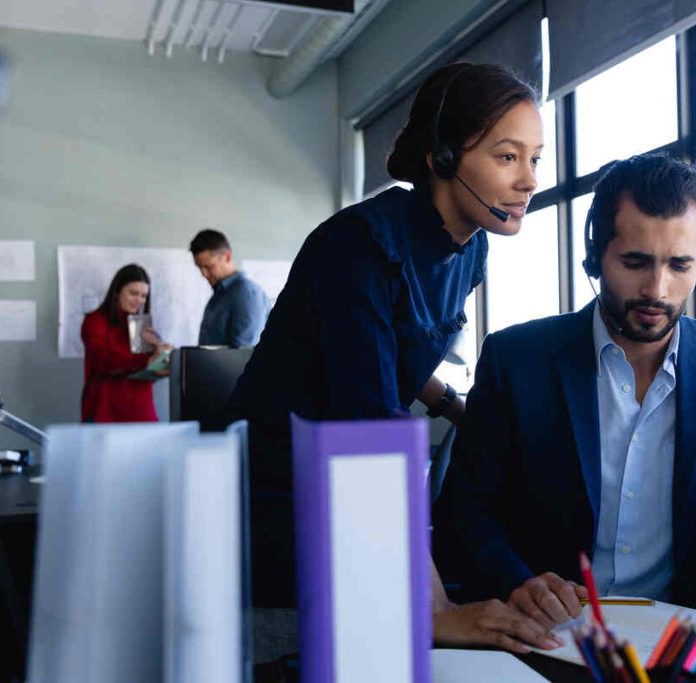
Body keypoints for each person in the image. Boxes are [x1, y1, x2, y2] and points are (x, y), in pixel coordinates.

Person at [227, 61, 550, 658]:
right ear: (443, 157)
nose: (528, 180)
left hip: (350, 483)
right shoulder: (357, 245)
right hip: (279, 494)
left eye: (535, 159)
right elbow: (368, 429)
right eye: (508, 157)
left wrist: (451, 403)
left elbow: (398, 343)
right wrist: (431, 610)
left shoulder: (470, 249)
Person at [432, 153, 696, 628]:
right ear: (596, 254)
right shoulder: (518, 359)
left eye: (679, 265)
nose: (658, 289)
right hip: (543, 635)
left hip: (673, 645)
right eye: (635, 262)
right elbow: (463, 515)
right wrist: (517, 582)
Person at [80, 264, 172, 423]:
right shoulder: (95, 321)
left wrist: (162, 355)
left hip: (141, 410)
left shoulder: (144, 326)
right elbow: (104, 362)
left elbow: (150, 372)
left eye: (144, 296)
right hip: (105, 411)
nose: (139, 300)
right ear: (117, 292)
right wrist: (146, 361)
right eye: (133, 293)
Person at [190, 229, 270, 348]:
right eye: (200, 268)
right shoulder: (219, 293)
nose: (203, 274)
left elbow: (242, 353)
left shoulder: (246, 293)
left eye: (209, 267)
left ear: (227, 257)